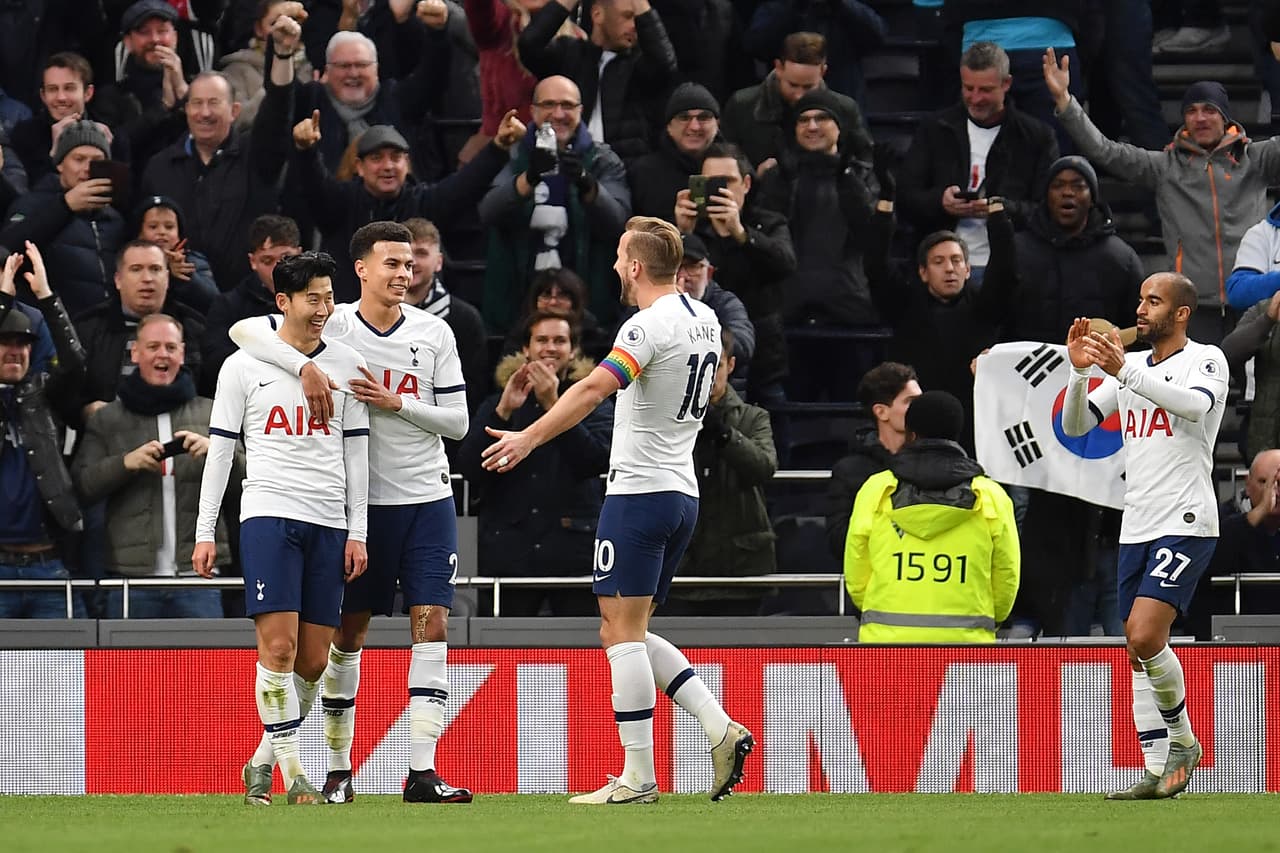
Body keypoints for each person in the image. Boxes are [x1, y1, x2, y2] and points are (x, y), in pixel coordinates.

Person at [482, 216, 753, 804]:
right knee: (628, 628)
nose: (612, 268)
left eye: (618, 258)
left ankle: (638, 778)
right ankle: (717, 727)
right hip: (682, 493)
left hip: (638, 493)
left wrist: (528, 437)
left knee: (620, 634)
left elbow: (590, 390)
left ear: (634, 266)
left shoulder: (644, 327)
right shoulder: (703, 317)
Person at [228, 221, 473, 805]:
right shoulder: (330, 324)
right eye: (392, 263)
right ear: (361, 269)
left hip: (426, 499)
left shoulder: (435, 332)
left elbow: (459, 422)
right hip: (358, 508)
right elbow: (244, 332)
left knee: (431, 624)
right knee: (345, 637)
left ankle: (420, 772)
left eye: (410, 264)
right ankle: (335, 768)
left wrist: (399, 403)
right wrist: (302, 366)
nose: (404, 274)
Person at [193, 251, 371, 806]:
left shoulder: (347, 364)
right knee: (278, 648)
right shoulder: (242, 366)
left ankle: (258, 764)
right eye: (312, 298)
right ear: (283, 302)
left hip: (328, 520)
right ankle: (295, 777)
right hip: (268, 515)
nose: (323, 308)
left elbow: (357, 454)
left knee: (315, 660)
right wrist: (204, 531)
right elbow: (221, 452)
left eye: (329, 296)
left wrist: (357, 529)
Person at [1061, 273, 1230, 799]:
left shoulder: (1206, 359)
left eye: (1153, 301)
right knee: (1138, 651)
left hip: (1185, 518)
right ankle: (1159, 771)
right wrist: (1078, 372)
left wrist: (1123, 374)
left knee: (1142, 634)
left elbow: (1196, 407)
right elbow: (1077, 425)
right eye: (1139, 299)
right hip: (1137, 521)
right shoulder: (1130, 367)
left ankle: (1183, 742)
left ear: (1181, 313)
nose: (1141, 309)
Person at [1044, 50, 1280, 342]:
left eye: (1209, 110)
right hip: (1192, 304)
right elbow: (1104, 150)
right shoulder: (1165, 167)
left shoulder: (1254, 159)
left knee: (1261, 384)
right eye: (1191, 111)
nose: (1200, 118)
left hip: (1252, 299)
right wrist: (1065, 102)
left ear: (1225, 117)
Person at [73, 314, 237, 619]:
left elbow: (255, 478)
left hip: (198, 576)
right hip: (130, 579)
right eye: (153, 346)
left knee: (204, 668)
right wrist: (124, 464)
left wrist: (219, 454)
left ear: (183, 353)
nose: (163, 354)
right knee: (128, 668)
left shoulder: (213, 412)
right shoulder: (108, 419)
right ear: (135, 352)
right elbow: (82, 486)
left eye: (171, 347)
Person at [457, 310, 612, 616]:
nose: (550, 348)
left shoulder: (593, 401)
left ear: (574, 350)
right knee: (504, 648)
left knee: (582, 655)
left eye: (560, 340)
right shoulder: (499, 401)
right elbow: (470, 468)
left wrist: (555, 404)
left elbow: (596, 461)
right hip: (510, 555)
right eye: (541, 340)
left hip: (574, 555)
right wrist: (502, 410)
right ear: (526, 348)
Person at [844, 390, 1020, 643]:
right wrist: (990, 617)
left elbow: (856, 565)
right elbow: (1006, 574)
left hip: (884, 646)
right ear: (957, 435)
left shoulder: (877, 489)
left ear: (911, 434)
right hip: (968, 646)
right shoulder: (990, 495)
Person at [897, 41, 1058, 285]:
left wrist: (1002, 210)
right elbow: (906, 197)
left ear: (1007, 84)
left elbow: (1048, 212)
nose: (975, 98)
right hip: (942, 270)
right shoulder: (934, 129)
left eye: (985, 90)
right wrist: (940, 202)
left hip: (1011, 267)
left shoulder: (1037, 138)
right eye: (968, 88)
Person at [479, 75, 631, 332]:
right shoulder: (514, 153)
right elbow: (489, 211)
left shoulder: (603, 159)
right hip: (516, 303)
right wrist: (529, 177)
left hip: (589, 306)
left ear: (581, 111)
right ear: (533, 110)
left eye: (567, 105)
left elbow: (618, 221)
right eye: (548, 105)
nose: (558, 113)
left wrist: (586, 182)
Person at [664, 327, 777, 616]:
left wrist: (725, 435)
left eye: (715, 364)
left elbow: (763, 468)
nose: (708, 374)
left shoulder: (754, 417)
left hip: (740, 568)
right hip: (682, 567)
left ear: (731, 365)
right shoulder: (665, 420)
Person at [0, 243, 86, 619]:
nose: (14, 352)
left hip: (48, 567)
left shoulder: (42, 395)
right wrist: (4, 297)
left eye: (22, 344)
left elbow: (75, 363)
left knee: (64, 677)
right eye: (3, 343)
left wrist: (46, 297)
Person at [516, 0, 677, 163]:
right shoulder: (569, 54)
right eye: (627, 16)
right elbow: (529, 44)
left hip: (625, 173)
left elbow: (665, 63)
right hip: (565, 166)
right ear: (597, 14)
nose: (635, 26)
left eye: (638, 18)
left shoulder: (638, 65)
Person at [0, 120, 126, 319]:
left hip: (102, 333)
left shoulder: (116, 218)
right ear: (60, 163)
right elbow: (7, 250)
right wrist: (65, 207)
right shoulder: (31, 203)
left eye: (96, 160)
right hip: (52, 328)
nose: (87, 168)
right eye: (79, 159)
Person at [720, 31, 872, 173]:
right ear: (779, 67)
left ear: (823, 72)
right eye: (793, 85)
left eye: (808, 87)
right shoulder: (742, 105)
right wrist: (753, 175)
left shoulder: (844, 108)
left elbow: (866, 160)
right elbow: (723, 157)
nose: (800, 96)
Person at [821, 362, 921, 559]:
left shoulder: (937, 460)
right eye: (910, 401)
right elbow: (840, 542)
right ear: (881, 411)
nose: (922, 408)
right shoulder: (850, 471)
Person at [199, 215, 303, 395]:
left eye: (286, 258)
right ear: (253, 261)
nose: (278, 269)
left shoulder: (321, 301)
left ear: (300, 254)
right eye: (267, 261)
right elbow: (213, 364)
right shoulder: (228, 306)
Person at [404, 217, 489, 415]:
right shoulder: (373, 313)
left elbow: (473, 391)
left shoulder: (465, 319)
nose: (413, 262)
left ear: (439, 262)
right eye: (407, 254)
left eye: (422, 253)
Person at [627, 82, 722, 222]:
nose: (695, 127)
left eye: (704, 117)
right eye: (684, 118)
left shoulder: (735, 166)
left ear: (717, 124)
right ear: (669, 127)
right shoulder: (644, 173)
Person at [132, 195, 219, 313]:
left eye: (169, 227)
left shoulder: (194, 261)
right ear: (140, 233)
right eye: (153, 227)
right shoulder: (128, 260)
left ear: (179, 233)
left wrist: (185, 276)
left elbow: (214, 301)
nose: (162, 232)